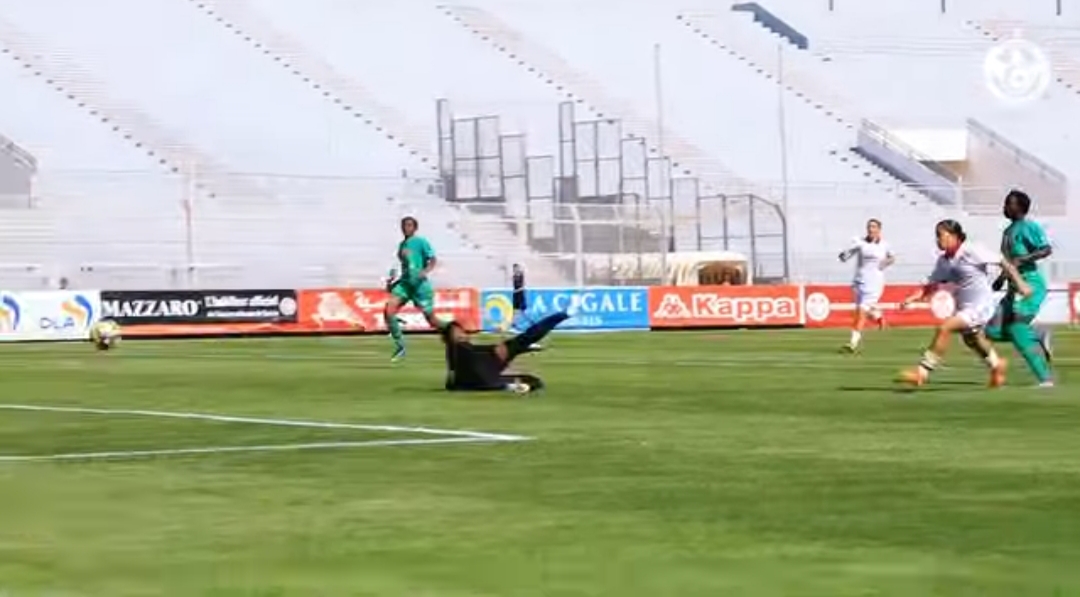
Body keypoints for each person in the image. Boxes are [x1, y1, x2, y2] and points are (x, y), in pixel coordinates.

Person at [898, 220, 1030, 388]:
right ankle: (997, 365)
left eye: (941, 235)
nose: (938, 240)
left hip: (980, 305)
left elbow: (1003, 262)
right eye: (936, 236)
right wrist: (912, 298)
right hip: (964, 306)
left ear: (955, 236)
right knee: (972, 339)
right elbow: (931, 284)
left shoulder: (971, 250)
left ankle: (922, 372)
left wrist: (1020, 284)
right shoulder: (943, 261)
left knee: (945, 328)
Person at [985, 190, 1054, 387]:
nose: (1005, 206)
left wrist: (1023, 259)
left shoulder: (1029, 227)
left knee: (1017, 328)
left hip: (1029, 285)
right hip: (1012, 288)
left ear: (1020, 207)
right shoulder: (1008, 231)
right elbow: (1008, 262)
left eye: (1009, 203)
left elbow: (1046, 249)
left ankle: (1045, 379)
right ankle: (1037, 334)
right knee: (991, 331)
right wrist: (1001, 278)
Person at [441, 311, 570, 394]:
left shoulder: (456, 351)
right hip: (487, 377)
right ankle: (562, 315)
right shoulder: (459, 348)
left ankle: (511, 386)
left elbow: (452, 380)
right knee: (525, 342)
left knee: (531, 378)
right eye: (458, 332)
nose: (462, 334)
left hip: (480, 382)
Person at [385, 216, 442, 361]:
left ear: (415, 228)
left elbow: (433, 259)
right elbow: (405, 266)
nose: (406, 228)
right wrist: (392, 281)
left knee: (432, 320)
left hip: (420, 285)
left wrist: (425, 271)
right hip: (405, 284)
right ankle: (400, 347)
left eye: (409, 225)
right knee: (389, 310)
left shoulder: (421, 242)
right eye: (404, 225)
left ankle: (452, 330)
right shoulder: (402, 246)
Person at [838, 218, 895, 352]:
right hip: (859, 281)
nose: (871, 229)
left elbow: (892, 257)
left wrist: (886, 262)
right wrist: (844, 254)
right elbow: (845, 256)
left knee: (860, 313)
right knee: (862, 310)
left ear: (879, 229)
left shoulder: (885, 245)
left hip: (874, 283)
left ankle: (852, 343)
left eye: (874, 227)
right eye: (869, 227)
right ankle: (878, 316)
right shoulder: (860, 243)